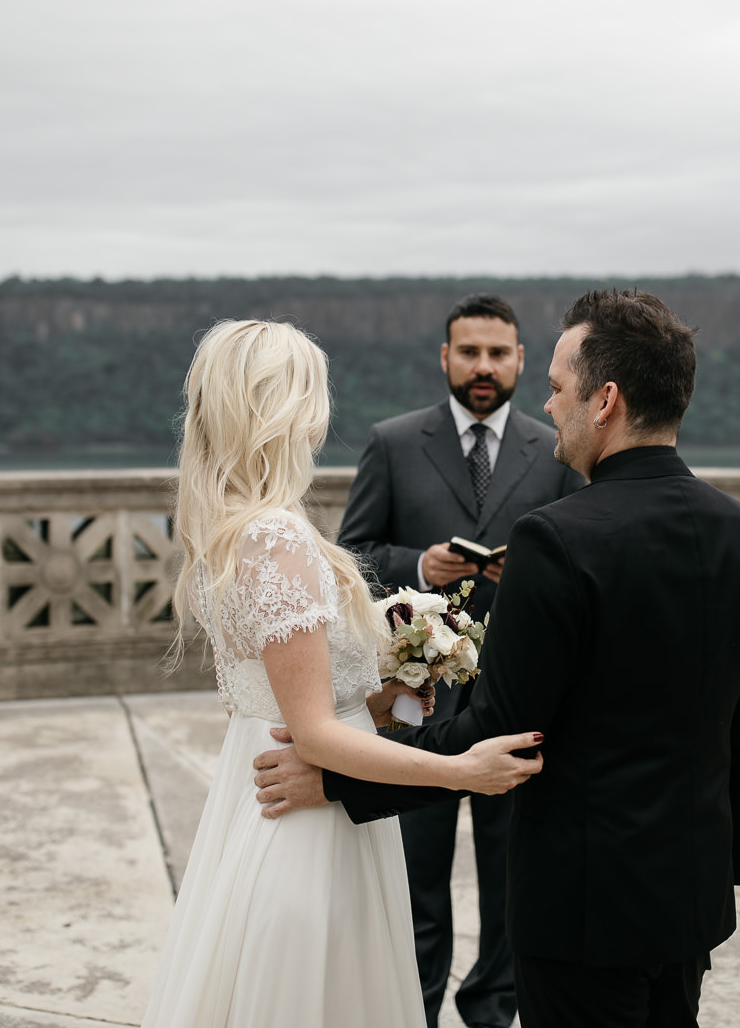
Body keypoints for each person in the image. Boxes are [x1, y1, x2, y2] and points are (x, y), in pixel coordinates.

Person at [251, 290, 740, 1028]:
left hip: (582, 906)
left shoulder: (556, 538)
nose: (549, 403)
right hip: (691, 895)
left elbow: (502, 729)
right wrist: (726, 864)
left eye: (559, 387)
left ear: (605, 401)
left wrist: (339, 778)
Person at [140, 319, 544, 1028]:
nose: (320, 419)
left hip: (261, 794)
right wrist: (461, 771)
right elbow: (315, 735)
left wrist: (378, 701)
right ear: (283, 410)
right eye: (313, 396)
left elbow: (278, 695)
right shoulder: (277, 536)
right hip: (309, 826)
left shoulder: (230, 530)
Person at [338, 292, 585, 1028]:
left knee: (514, 875)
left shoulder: (556, 449)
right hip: (415, 704)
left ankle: (492, 1008)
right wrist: (420, 564)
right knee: (415, 875)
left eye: (498, 354)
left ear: (520, 360)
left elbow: (583, 563)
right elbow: (350, 558)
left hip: (520, 700)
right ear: (446, 358)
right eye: (470, 352)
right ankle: (413, 1008)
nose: (484, 366)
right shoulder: (391, 441)